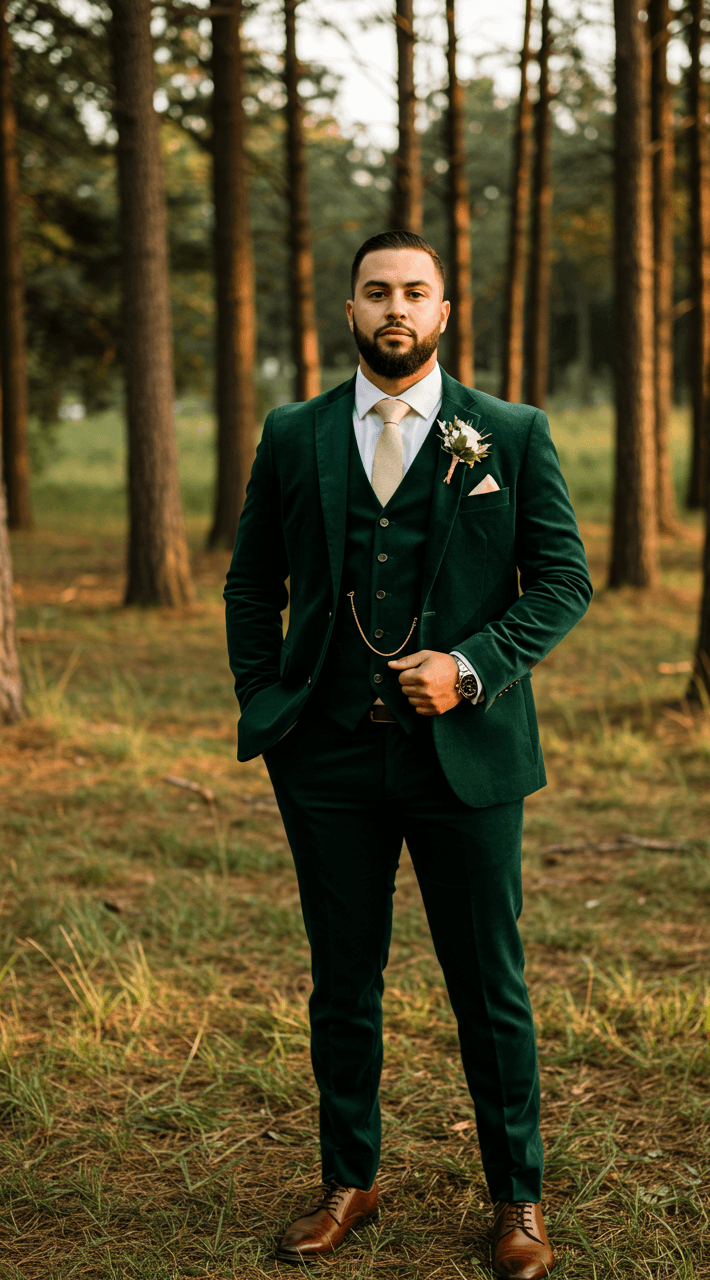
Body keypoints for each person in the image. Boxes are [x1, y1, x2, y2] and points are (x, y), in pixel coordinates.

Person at [224, 230, 592, 1278]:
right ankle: (349, 1178)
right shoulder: (293, 433)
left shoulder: (508, 432)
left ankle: (517, 1197)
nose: (396, 307)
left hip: (464, 759)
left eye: (414, 291)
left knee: (489, 982)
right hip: (326, 759)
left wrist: (471, 668)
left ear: (442, 311)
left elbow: (562, 581)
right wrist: (266, 699)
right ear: (350, 309)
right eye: (376, 290)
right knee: (342, 980)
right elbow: (251, 582)